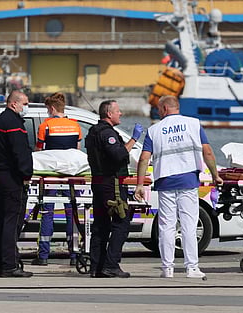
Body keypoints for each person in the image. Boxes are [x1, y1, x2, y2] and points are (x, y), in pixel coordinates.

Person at [134, 95, 223, 279]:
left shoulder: (154, 130)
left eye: (159, 109)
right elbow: (207, 151)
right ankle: (192, 268)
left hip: (165, 182)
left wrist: (140, 184)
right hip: (188, 180)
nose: (158, 113)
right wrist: (215, 175)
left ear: (165, 109)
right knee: (189, 225)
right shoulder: (194, 124)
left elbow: (144, 158)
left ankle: (167, 269)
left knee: (166, 225)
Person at [85, 100, 143, 278]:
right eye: (118, 111)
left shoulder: (93, 132)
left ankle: (97, 266)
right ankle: (111, 264)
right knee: (121, 223)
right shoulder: (107, 134)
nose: (121, 114)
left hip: (99, 182)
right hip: (112, 184)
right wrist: (134, 139)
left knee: (101, 225)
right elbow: (118, 155)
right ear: (109, 114)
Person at [31, 92, 82, 266]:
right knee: (72, 214)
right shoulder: (75, 126)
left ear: (52, 108)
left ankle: (43, 256)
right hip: (71, 176)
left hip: (51, 175)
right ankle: (74, 255)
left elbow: (39, 152)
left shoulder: (45, 126)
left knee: (47, 213)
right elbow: (77, 150)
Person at [0, 90, 34, 278]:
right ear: (14, 104)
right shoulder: (13, 124)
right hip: (12, 177)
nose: (26, 107)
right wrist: (26, 174)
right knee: (11, 222)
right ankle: (9, 265)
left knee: (0, 221)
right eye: (25, 103)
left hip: (0, 174)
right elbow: (20, 152)